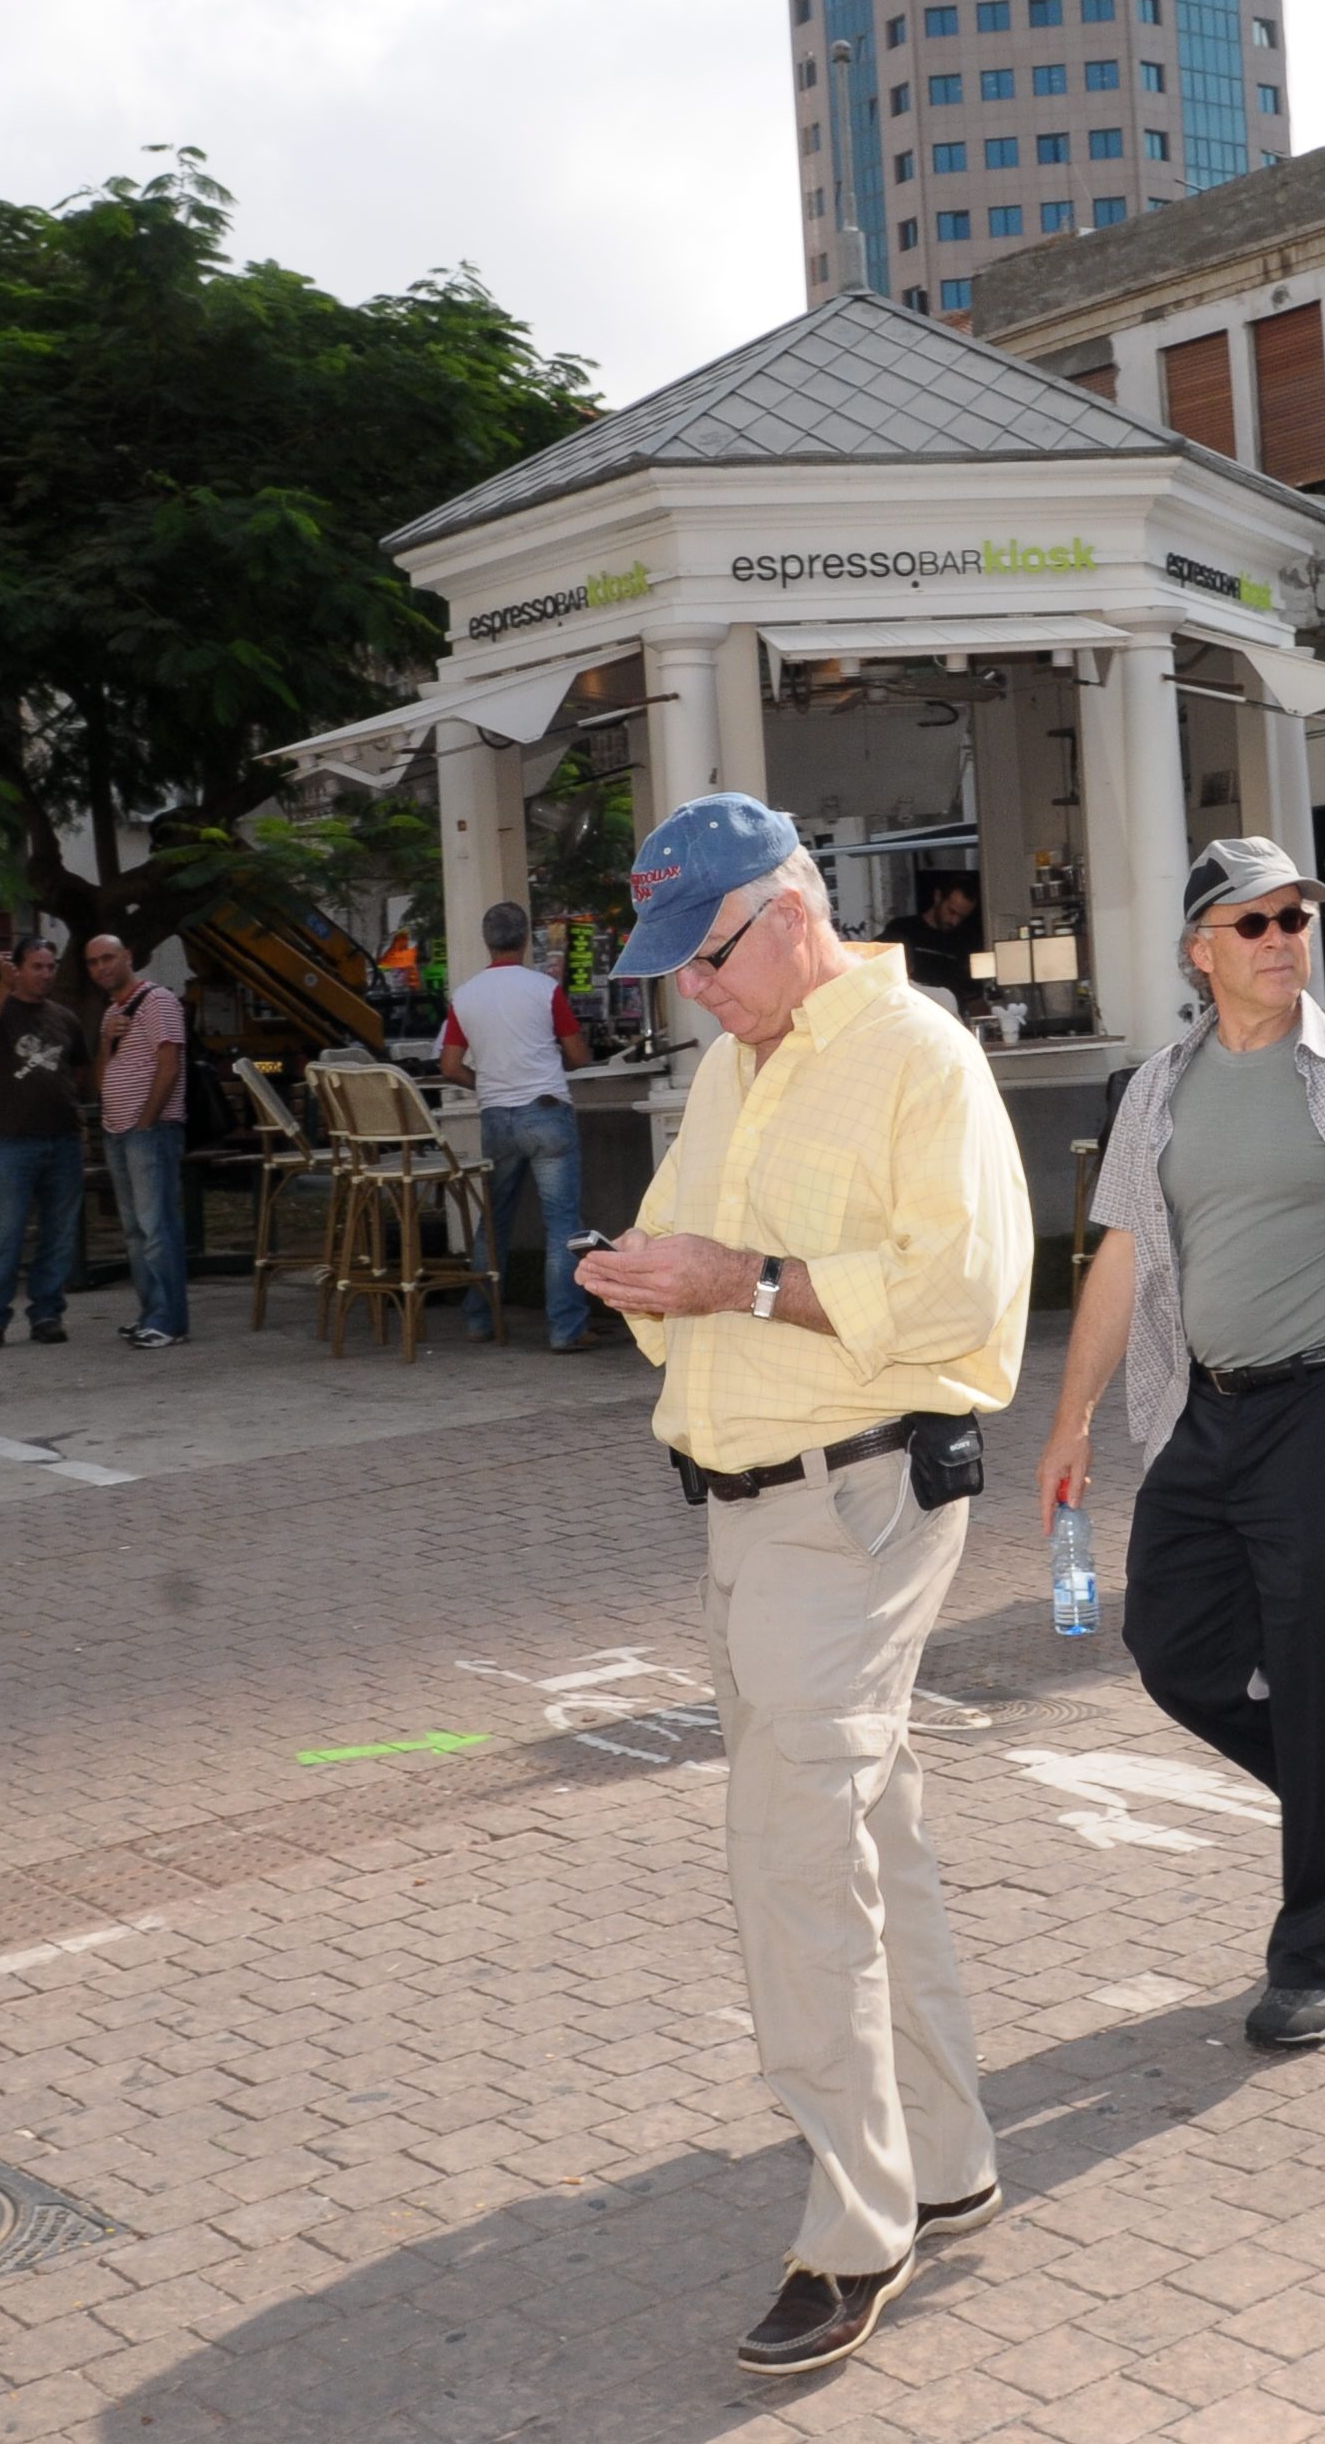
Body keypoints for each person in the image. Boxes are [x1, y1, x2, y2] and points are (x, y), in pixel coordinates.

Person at [570, 793, 1030, 2380]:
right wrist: (647, 1276)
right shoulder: (732, 1065)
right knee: (867, 1834)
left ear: (787, 915)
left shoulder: (920, 1057)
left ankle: (857, 2228)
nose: (691, 992)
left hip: (855, 1505)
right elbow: (693, 1257)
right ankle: (946, 2161)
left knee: (793, 1862)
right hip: (755, 1514)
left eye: (704, 958)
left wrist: (738, 1283)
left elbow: (968, 1299)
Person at [1036, 836, 1325, 2054]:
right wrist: (1070, 1420)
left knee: (1321, 1680)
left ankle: (1316, 1951)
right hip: (1209, 1411)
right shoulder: (1158, 1090)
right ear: (1201, 950)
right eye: (1254, 921)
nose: (1282, 938)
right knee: (1173, 1648)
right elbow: (1122, 1257)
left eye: (1295, 917)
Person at [443, 899, 599, 1353]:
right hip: (546, 1113)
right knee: (562, 1224)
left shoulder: (465, 996)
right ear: (527, 939)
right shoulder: (544, 989)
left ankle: (480, 1318)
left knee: (493, 1222)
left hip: (496, 1117)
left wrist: (488, 1083)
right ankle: (566, 1328)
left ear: (486, 941)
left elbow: (449, 1065)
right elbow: (578, 1055)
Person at [0, 938, 87, 1352]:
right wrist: (2, 986)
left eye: (51, 966)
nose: (46, 974)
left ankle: (47, 1312)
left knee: (59, 1232)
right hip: (13, 1140)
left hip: (63, 1138)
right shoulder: (1, 1010)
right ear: (18, 969)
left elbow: (79, 1070)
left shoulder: (65, 1018)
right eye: (37, 966)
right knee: (6, 1233)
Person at [82, 933, 189, 1350]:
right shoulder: (113, 1012)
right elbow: (101, 1079)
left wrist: (146, 1122)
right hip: (117, 1131)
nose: (101, 968)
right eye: (93, 962)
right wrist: (106, 1040)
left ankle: (169, 1321)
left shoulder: (158, 1000)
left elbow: (169, 1064)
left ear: (128, 956)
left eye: (108, 958)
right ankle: (150, 1314)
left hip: (148, 1132)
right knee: (134, 1230)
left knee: (156, 1226)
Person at [877, 875, 990, 1017]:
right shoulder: (903, 929)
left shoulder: (965, 941)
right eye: (951, 911)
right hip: (908, 1014)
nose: (954, 921)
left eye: (962, 917)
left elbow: (973, 996)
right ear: (938, 897)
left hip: (949, 1018)